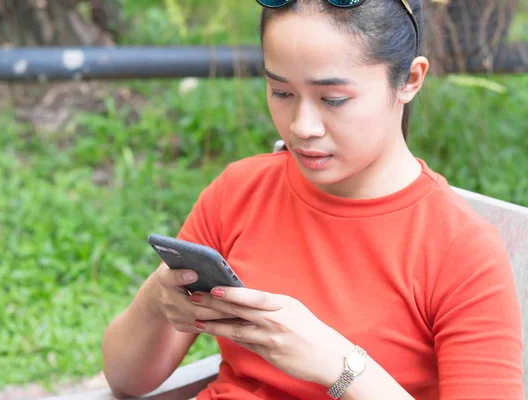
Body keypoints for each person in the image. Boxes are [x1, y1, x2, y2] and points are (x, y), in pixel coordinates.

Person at [102, 0, 524, 399]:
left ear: (410, 80)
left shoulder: (460, 249)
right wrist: (159, 298)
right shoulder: (240, 192)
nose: (302, 126)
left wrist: (341, 366)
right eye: (281, 92)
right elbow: (127, 379)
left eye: (333, 99)